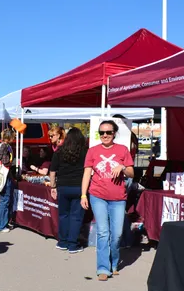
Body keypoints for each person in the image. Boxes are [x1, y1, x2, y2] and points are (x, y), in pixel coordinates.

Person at [81, 120, 134, 281]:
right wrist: (83, 195)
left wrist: (123, 167)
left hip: (118, 198)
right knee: (103, 232)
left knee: (116, 234)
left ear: (114, 133)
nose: (105, 135)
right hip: (98, 196)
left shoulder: (122, 150)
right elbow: (86, 174)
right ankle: (103, 268)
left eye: (108, 132)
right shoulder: (92, 151)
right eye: (101, 132)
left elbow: (132, 173)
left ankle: (114, 262)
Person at [50, 127, 87, 254]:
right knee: (76, 217)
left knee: (63, 215)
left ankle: (62, 242)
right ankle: (73, 244)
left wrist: (53, 187)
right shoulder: (84, 152)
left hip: (63, 187)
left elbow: (53, 172)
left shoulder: (59, 151)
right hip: (79, 187)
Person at [0, 128, 16, 233]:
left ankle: (1, 223)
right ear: (9, 137)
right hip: (5, 175)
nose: (14, 139)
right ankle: (0, 225)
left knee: (3, 199)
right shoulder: (6, 147)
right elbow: (6, 162)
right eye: (13, 137)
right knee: (5, 200)